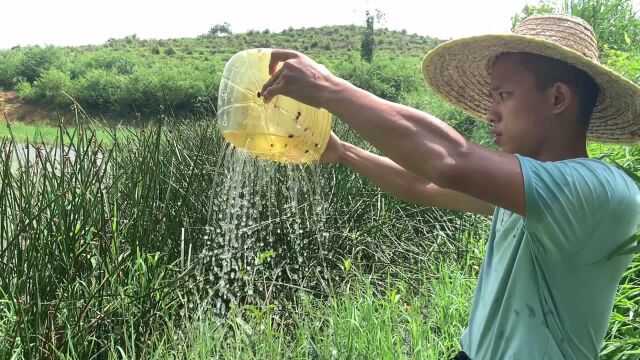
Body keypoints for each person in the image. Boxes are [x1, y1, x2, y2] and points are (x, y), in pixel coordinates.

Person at [260, 14, 640, 359]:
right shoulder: (523, 187)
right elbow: (422, 183)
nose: (491, 113)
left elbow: (448, 161)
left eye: (504, 95)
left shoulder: (600, 190)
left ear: (558, 97)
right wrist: (341, 151)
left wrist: (327, 87)